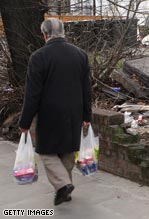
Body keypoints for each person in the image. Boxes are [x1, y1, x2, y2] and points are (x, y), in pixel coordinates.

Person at [19, 18, 92, 206]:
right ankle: (64, 192)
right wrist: (86, 115)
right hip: (74, 112)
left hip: (49, 113)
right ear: (64, 32)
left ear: (44, 34)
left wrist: (25, 122)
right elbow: (86, 89)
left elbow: (32, 94)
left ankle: (63, 185)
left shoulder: (38, 57)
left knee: (46, 151)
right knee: (67, 150)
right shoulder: (80, 55)